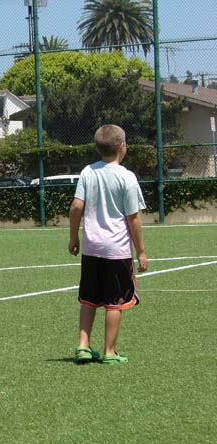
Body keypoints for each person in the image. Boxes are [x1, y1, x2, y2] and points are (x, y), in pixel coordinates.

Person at [68, 124, 148, 365]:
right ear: (122, 146)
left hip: (91, 248)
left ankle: (83, 346)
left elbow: (76, 206)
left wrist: (74, 237)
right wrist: (141, 251)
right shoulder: (127, 177)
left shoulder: (88, 172)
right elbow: (133, 218)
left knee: (89, 298)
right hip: (116, 250)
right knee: (115, 302)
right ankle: (109, 352)